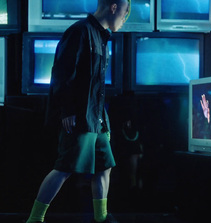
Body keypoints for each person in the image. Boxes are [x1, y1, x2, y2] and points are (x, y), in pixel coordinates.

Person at [26, 0, 130, 222]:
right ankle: (35, 219)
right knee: (65, 168)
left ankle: (101, 218)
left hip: (97, 119)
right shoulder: (79, 31)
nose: (125, 19)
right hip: (80, 117)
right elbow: (62, 74)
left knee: (105, 167)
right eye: (125, 13)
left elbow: (97, 88)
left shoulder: (101, 37)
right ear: (113, 7)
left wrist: (105, 123)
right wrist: (67, 111)